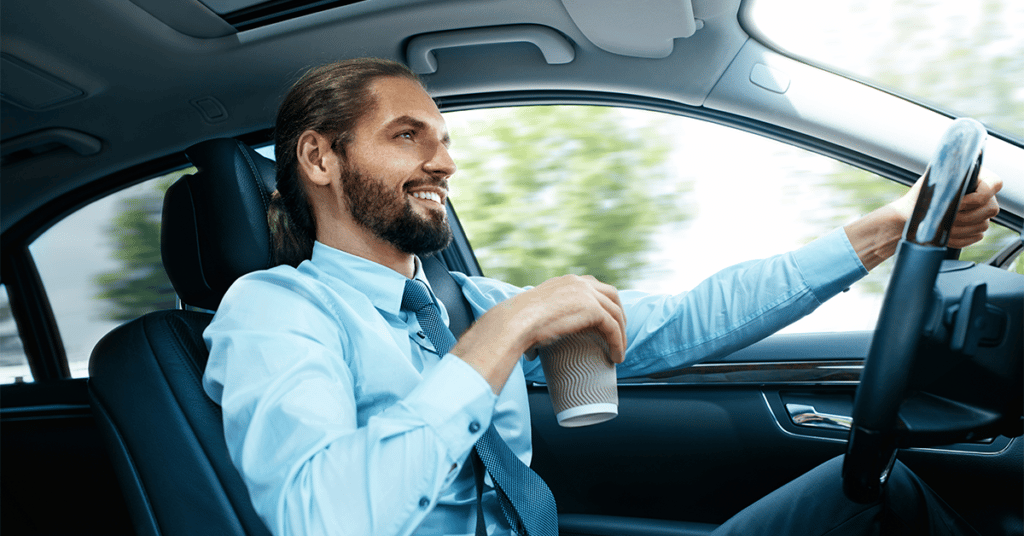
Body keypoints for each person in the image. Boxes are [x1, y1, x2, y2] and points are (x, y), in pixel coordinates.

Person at [202, 58, 1002, 536]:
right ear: (319, 157)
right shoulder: (276, 311)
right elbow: (322, 516)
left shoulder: (466, 301)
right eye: (408, 135)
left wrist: (884, 232)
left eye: (445, 140)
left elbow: (690, 319)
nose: (444, 162)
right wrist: (507, 333)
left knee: (872, 491)